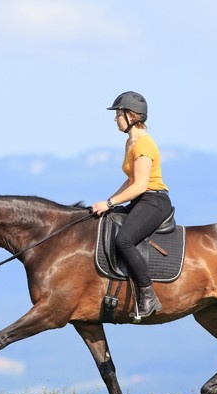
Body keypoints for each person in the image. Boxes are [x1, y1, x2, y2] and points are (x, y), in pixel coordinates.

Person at [92, 91, 172, 318]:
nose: (115, 119)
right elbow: (130, 181)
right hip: (140, 199)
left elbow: (140, 185)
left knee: (124, 240)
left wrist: (109, 202)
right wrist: (107, 204)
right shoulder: (131, 142)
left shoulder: (144, 145)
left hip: (154, 200)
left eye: (118, 114)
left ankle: (148, 295)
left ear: (130, 116)